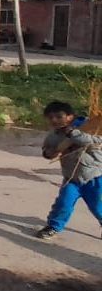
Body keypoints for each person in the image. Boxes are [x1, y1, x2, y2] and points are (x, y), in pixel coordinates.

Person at [35, 102, 102, 240]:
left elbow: (94, 141)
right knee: (63, 203)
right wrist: (51, 153)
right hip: (71, 178)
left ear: (71, 116)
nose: (55, 120)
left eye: (59, 117)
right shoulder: (53, 136)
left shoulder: (90, 128)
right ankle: (53, 226)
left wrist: (73, 134)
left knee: (98, 206)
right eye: (51, 117)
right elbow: (47, 150)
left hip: (94, 177)